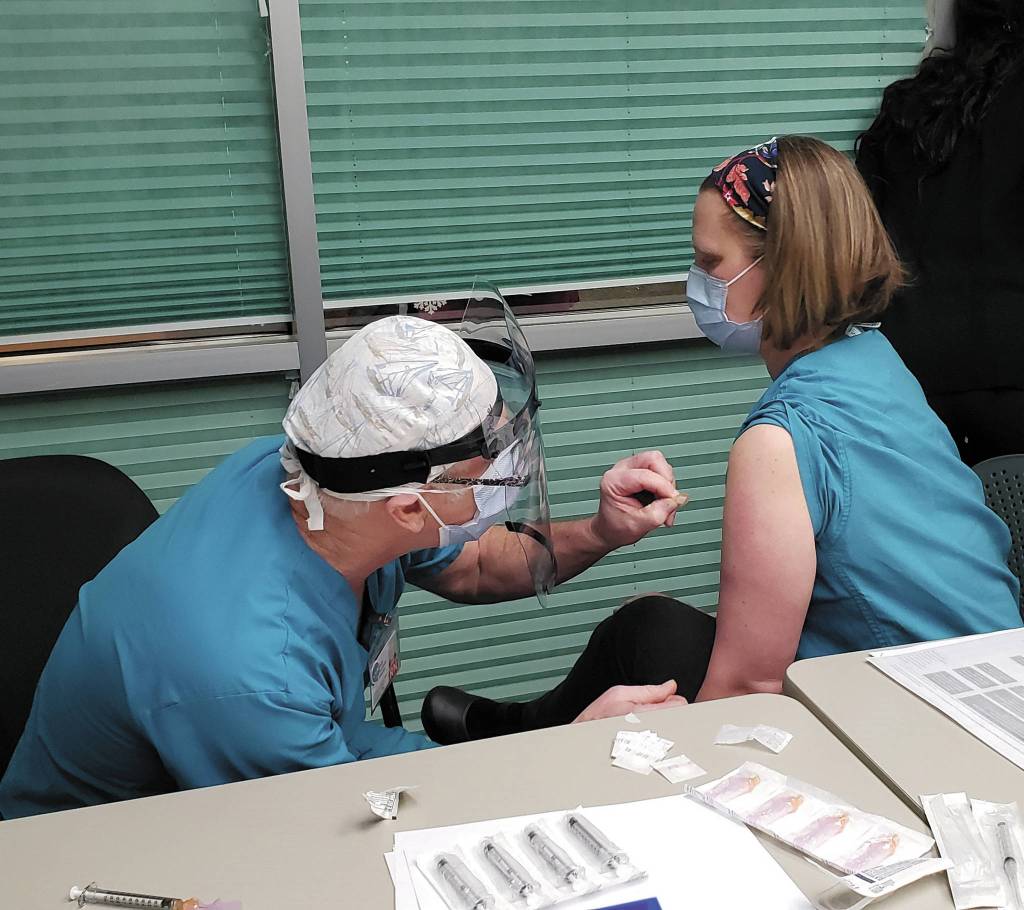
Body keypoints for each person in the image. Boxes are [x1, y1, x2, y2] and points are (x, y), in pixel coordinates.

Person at [422, 136, 1023, 745]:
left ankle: (521, 746)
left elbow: (745, 693)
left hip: (923, 732)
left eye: (711, 265)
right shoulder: (874, 361)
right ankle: (515, 729)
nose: (698, 283)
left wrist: (619, 753)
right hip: (991, 690)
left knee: (647, 661)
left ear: (784, 267)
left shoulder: (779, 441)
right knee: (648, 628)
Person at [0, 301, 688, 819]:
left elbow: (475, 563)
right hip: (113, 848)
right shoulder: (248, 675)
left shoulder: (316, 482)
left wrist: (603, 530)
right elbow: (359, 814)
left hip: (298, 753)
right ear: (409, 509)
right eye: (486, 473)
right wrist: (564, 755)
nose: (501, 480)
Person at [856, 0, 1024, 464]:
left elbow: (866, 249)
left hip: (916, 386)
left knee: (942, 533)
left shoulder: (910, 110)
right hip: (1014, 378)